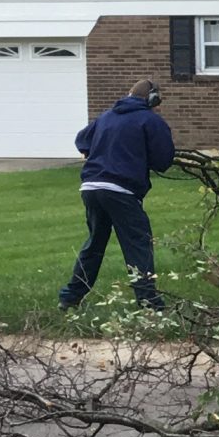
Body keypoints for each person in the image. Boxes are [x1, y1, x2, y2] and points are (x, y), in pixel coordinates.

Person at [58, 79, 174, 312]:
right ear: (152, 99)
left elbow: (82, 141)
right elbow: (163, 161)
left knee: (95, 244)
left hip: (91, 188)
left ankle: (70, 297)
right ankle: (149, 303)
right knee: (138, 245)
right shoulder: (150, 121)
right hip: (122, 190)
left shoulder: (106, 116)